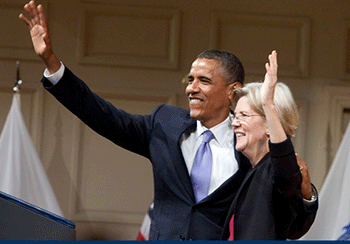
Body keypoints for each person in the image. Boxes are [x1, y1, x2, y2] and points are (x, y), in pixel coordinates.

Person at [19, 1, 317, 240]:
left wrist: (306, 196)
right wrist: (53, 64)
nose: (191, 88)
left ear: (232, 92)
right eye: (190, 79)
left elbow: (286, 216)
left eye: (204, 81)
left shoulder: (250, 145)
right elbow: (104, 117)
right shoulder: (165, 124)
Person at [221, 51, 315, 240]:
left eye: (244, 116)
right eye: (235, 115)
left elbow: (284, 164)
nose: (234, 123)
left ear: (270, 125)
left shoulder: (276, 168)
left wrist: (268, 104)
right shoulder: (251, 169)